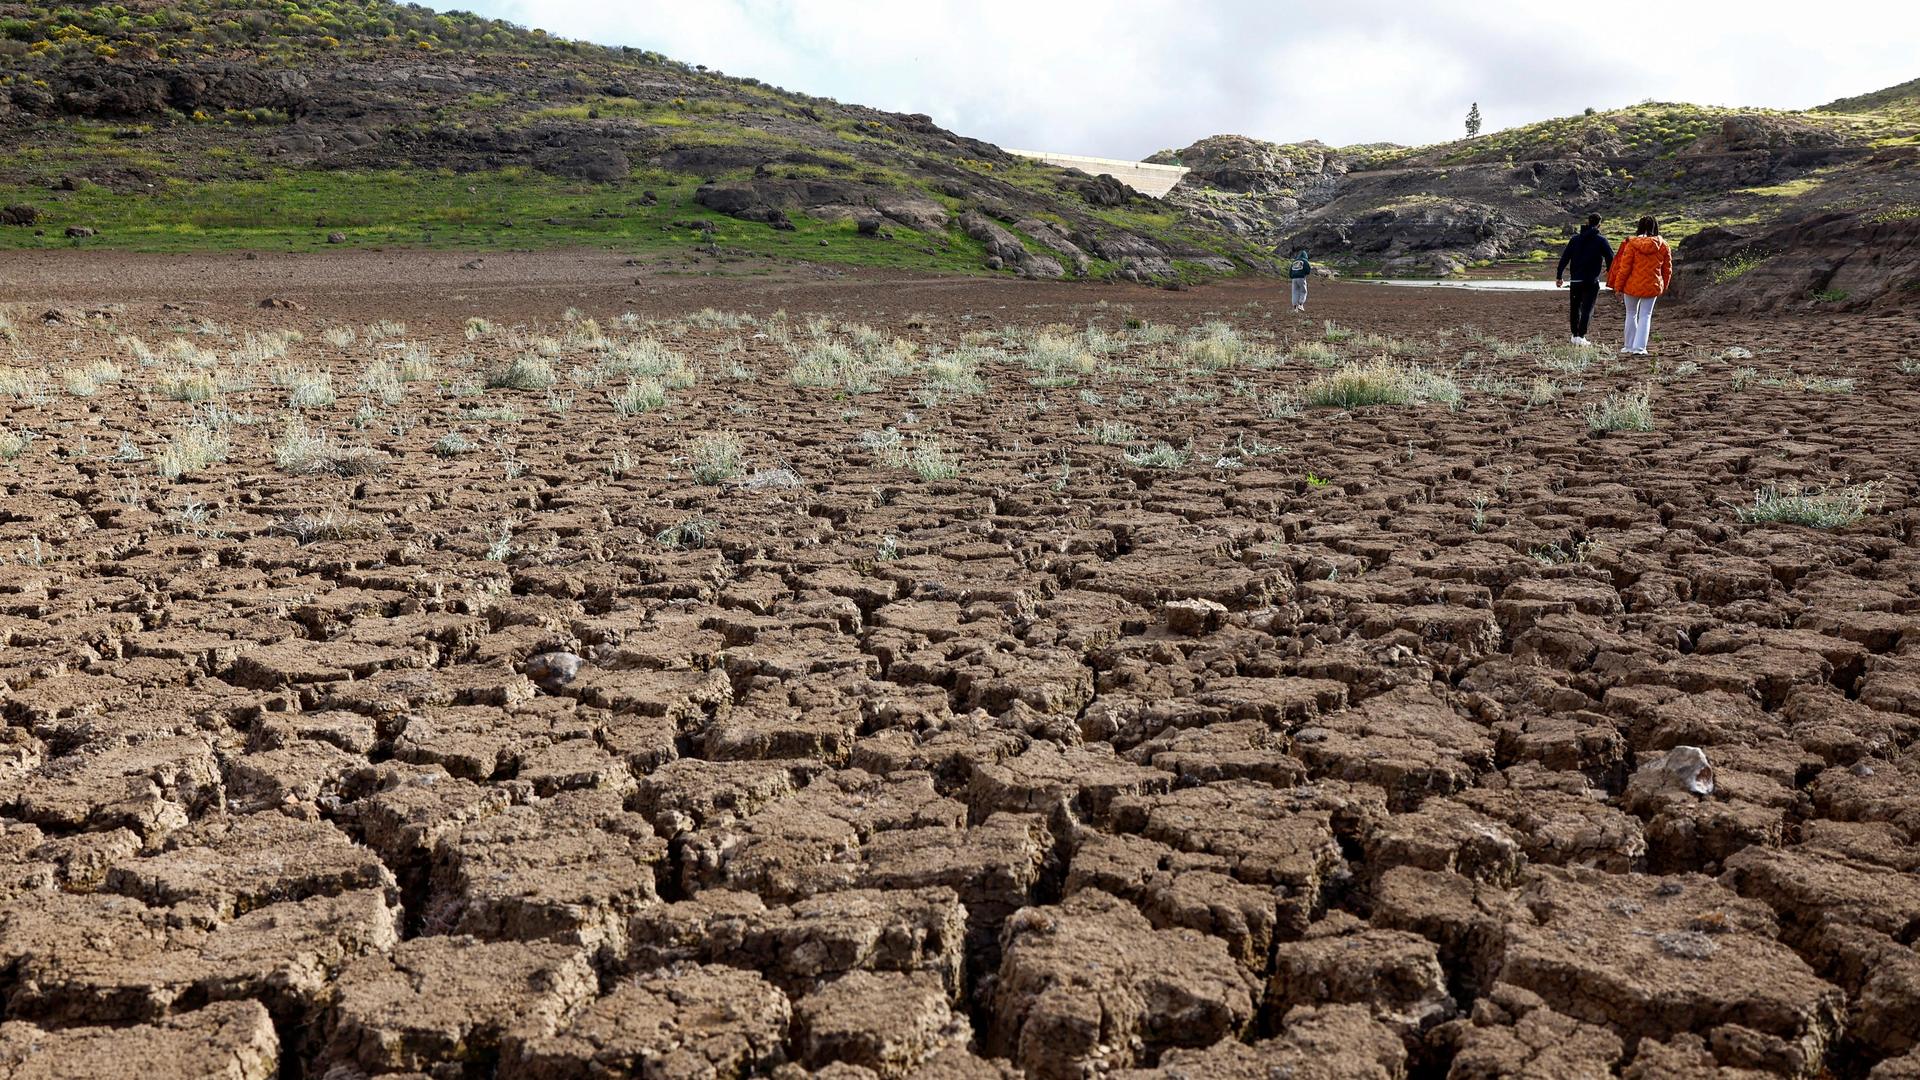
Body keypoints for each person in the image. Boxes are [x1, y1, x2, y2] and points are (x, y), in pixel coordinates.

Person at [1607, 215, 1673, 356]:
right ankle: (1640, 348)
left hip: (1632, 285)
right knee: (1645, 315)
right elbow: (1667, 270)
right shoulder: (1663, 245)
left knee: (1631, 314)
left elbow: (1624, 269)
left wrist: (1618, 287)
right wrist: (1664, 286)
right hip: (1652, 286)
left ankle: (1629, 346)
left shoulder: (1631, 244)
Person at [1555, 213, 1612, 346]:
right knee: (1587, 308)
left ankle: (1575, 335)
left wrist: (1559, 276)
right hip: (1591, 281)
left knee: (1575, 308)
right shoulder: (1601, 240)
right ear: (1599, 224)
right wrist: (1609, 270)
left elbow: (1565, 258)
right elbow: (1610, 256)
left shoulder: (1575, 239)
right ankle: (1581, 336)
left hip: (1576, 280)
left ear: (1587, 222)